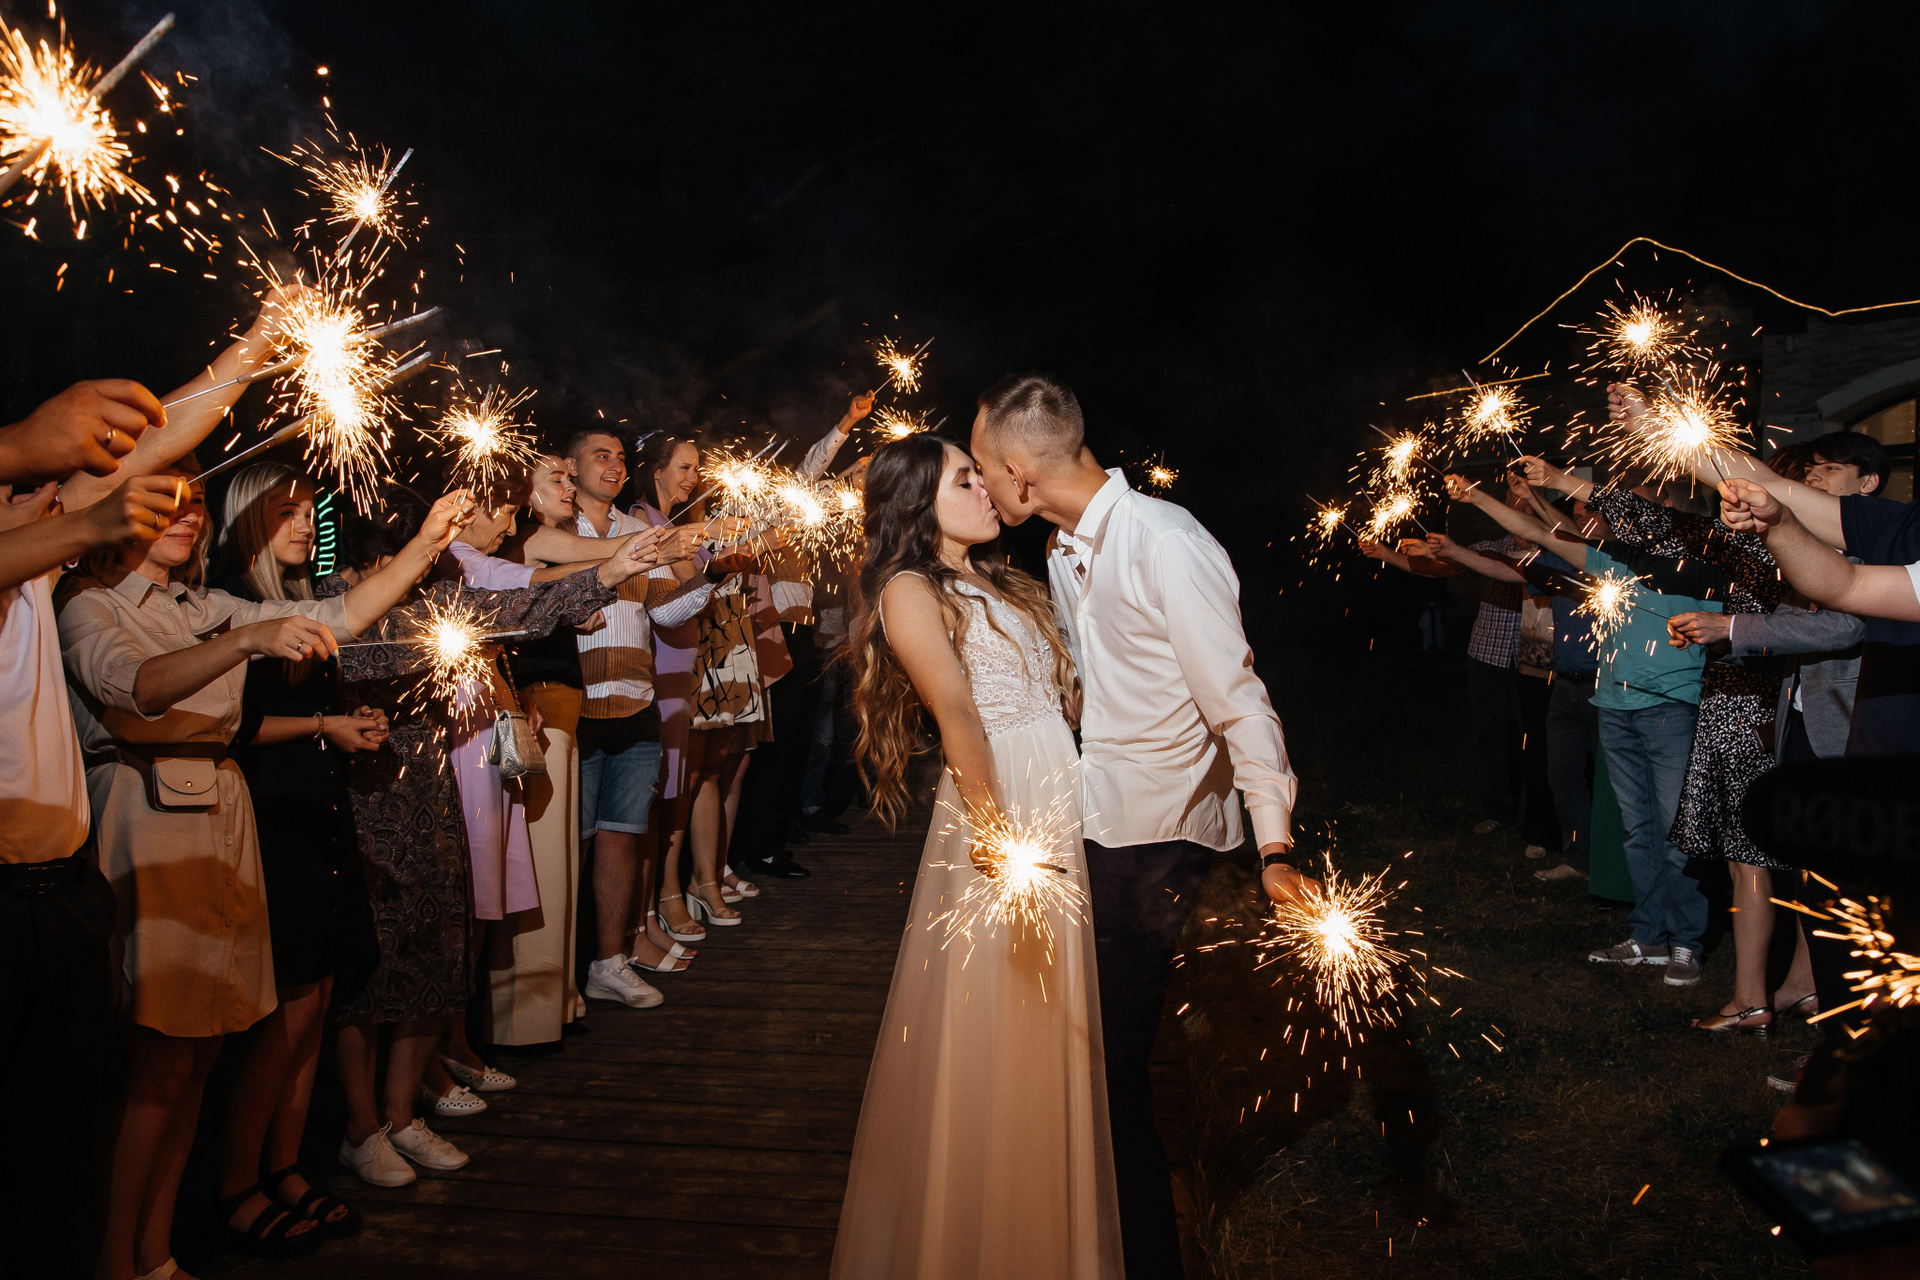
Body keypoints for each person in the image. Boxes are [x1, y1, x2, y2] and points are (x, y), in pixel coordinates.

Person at [57, 468, 467, 1278]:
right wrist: (245, 641)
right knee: (158, 1062)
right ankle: (115, 1262)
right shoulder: (88, 602)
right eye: (166, 499)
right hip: (147, 808)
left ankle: (156, 1253)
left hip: (222, 810)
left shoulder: (197, 604)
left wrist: (425, 544)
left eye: (194, 500)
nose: (186, 512)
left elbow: (340, 615)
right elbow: (134, 688)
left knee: (202, 1056)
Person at [971, 372, 1308, 1280]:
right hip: (1092, 818)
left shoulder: (1165, 542)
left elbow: (1240, 701)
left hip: (1157, 839)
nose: (981, 485)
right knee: (1086, 1053)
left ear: (1017, 471)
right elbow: (1098, 680)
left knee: (1111, 1066)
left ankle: (1146, 1256)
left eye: (982, 468)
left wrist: (1274, 847)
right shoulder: (1062, 548)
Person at [832, 434, 1122, 1279]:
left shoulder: (1003, 579)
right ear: (919, 502)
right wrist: (996, 833)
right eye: (965, 478)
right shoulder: (909, 588)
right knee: (1006, 1015)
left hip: (1059, 784)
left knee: (1057, 1011)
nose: (986, 487)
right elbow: (956, 709)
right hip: (1001, 793)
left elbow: (1063, 693)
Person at [328, 503, 659, 1185]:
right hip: (361, 803)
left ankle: (401, 1115)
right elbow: (365, 653)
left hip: (433, 791)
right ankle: (360, 1129)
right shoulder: (333, 601)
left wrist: (611, 570)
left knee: (436, 952)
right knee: (367, 971)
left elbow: (516, 609)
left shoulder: (437, 597)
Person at [0, 386, 189, 1279]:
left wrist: (262, 343)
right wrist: (80, 514)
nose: (56, 496)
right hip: (3, 909)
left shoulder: (34, 576)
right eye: (32, 489)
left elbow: (152, 444)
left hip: (63, 899)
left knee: (61, 1144)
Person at [1446, 470, 1718, 982]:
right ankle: (1649, 935)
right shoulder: (1616, 559)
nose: (1624, 515)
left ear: (1670, 512)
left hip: (1670, 710)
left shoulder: (1701, 565)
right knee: (1638, 831)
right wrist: (1477, 495)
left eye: (1636, 506)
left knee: (1676, 833)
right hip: (1614, 707)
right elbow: (1542, 535)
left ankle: (1686, 942)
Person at [212, 463, 386, 1244]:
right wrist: (323, 727)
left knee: (315, 997)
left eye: (310, 512)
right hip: (269, 811)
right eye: (285, 512)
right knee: (284, 1005)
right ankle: (236, 1185)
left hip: (316, 802)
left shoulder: (299, 598)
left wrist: (346, 722)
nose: (304, 525)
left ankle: (285, 1167)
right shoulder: (228, 603)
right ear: (247, 517)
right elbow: (235, 726)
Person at [566, 427, 715, 1006]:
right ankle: (561, 971)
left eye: (620, 457)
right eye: (600, 456)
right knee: (574, 844)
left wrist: (704, 571)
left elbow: (668, 612)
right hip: (577, 706)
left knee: (623, 837)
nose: (614, 465)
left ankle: (608, 963)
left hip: (636, 700)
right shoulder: (559, 532)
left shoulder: (635, 529)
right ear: (570, 467)